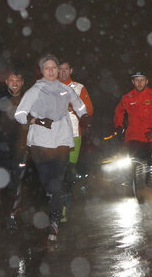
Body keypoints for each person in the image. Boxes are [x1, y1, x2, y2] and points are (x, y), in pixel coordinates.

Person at [14, 54, 90, 242]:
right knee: (47, 181)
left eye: (54, 68)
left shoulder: (65, 89)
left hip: (62, 138)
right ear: (42, 70)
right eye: (47, 68)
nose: (51, 71)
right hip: (40, 141)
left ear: (58, 70)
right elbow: (19, 114)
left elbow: (80, 106)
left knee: (57, 182)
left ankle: (54, 222)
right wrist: (36, 120)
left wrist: (85, 117)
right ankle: (50, 194)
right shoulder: (35, 90)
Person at [0, 70, 28, 229]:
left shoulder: (28, 99)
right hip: (1, 149)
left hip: (20, 149)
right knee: (3, 183)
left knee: (16, 182)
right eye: (11, 80)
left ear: (22, 82)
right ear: (6, 81)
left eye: (18, 80)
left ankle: (12, 214)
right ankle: (7, 212)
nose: (14, 83)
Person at [58, 61, 93, 222]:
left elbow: (89, 110)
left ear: (71, 70)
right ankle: (58, 207)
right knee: (57, 171)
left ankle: (64, 205)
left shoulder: (79, 87)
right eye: (60, 69)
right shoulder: (50, 86)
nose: (63, 72)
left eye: (66, 69)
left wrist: (74, 107)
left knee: (69, 172)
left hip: (74, 134)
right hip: (54, 136)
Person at [114, 71, 152, 161]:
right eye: (136, 80)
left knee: (150, 169)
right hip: (133, 141)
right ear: (133, 82)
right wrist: (119, 126)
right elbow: (118, 112)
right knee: (135, 169)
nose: (139, 83)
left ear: (147, 81)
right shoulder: (127, 98)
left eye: (142, 80)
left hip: (151, 141)